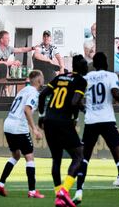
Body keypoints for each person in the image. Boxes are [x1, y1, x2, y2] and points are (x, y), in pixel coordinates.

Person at [72, 52, 119, 207]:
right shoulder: (111, 76)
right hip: (107, 120)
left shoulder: (87, 78)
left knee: (84, 159)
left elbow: (76, 101)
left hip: (91, 122)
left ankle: (78, 192)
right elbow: (115, 93)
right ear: (106, 62)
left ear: (94, 63)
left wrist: (85, 109)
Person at [38, 55, 88, 207]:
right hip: (63, 121)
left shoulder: (60, 77)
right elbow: (74, 101)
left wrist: (41, 115)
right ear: (82, 67)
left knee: (56, 159)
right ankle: (64, 191)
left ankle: (58, 197)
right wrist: (76, 117)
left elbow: (42, 95)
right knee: (79, 155)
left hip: (49, 121)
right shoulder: (81, 81)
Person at [0, 70, 45, 199]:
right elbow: (27, 109)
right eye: (42, 78)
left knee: (16, 155)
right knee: (29, 158)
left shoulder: (23, 90)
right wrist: (34, 129)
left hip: (8, 123)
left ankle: (0, 185)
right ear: (39, 80)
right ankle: (32, 191)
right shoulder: (34, 93)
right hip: (19, 126)